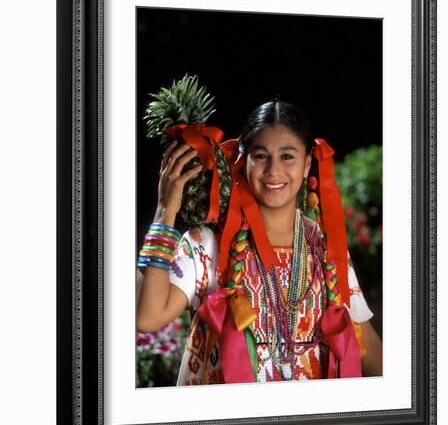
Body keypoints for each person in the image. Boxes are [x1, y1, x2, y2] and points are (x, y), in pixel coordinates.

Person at [137, 100, 382, 384]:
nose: (273, 170)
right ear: (244, 161)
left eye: (287, 156)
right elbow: (148, 317)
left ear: (307, 164)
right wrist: (165, 210)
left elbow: (368, 348)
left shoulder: (326, 246)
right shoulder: (206, 245)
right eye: (261, 155)